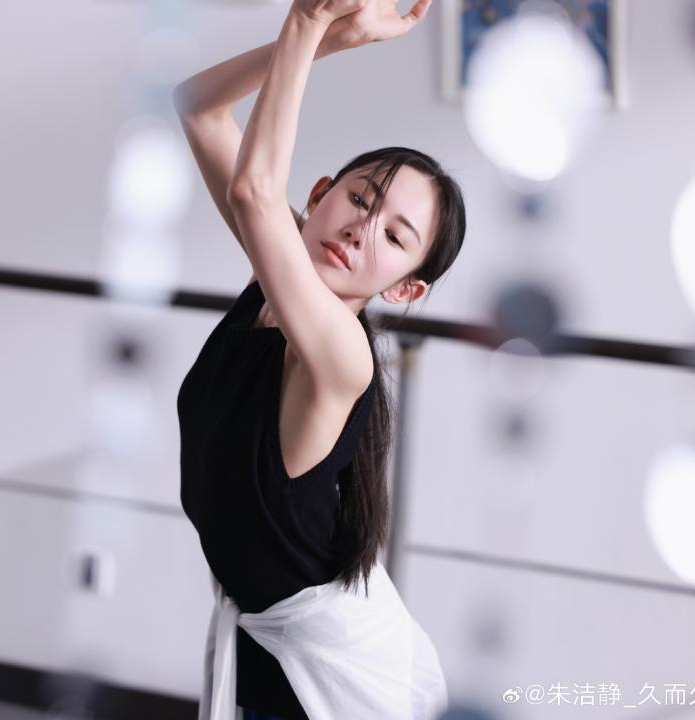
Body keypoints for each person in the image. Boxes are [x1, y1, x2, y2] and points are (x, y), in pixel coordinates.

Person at [174, 1, 465, 718]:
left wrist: (307, 23)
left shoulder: (342, 357)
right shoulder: (273, 283)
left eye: (394, 237)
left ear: (404, 288)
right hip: (265, 645)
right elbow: (198, 107)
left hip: (331, 675)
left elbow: (253, 192)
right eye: (360, 198)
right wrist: (332, 40)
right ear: (318, 195)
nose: (362, 228)